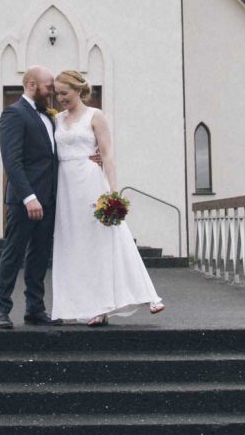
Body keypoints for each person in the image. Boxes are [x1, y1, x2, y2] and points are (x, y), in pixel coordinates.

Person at [51, 70, 164, 326]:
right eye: (57, 93)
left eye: (64, 93)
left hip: (90, 181)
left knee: (107, 238)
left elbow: (108, 154)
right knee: (75, 244)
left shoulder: (95, 116)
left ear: (78, 90)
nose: (60, 98)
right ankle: (82, 304)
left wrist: (114, 194)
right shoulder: (56, 120)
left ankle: (139, 296)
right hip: (66, 187)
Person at [0, 66, 59, 329]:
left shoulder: (48, 117)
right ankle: (0, 309)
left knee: (39, 257)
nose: (51, 92)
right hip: (24, 201)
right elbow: (12, 160)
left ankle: (35, 309)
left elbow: (52, 159)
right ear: (31, 84)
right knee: (13, 253)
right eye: (48, 87)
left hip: (49, 199)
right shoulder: (13, 114)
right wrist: (28, 197)